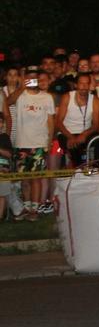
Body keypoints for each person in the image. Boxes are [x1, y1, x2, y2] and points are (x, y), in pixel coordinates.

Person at [6, 69, 55, 220]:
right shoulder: (21, 95)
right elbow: (8, 102)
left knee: (36, 178)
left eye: (36, 78)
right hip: (21, 143)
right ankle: (27, 208)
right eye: (30, 78)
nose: (33, 81)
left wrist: (50, 140)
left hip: (39, 143)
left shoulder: (47, 97)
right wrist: (22, 87)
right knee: (25, 179)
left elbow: (51, 121)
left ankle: (35, 210)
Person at [56, 73, 99, 167]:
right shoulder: (67, 97)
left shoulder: (95, 100)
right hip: (67, 132)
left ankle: (96, 168)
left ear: (89, 85)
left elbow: (96, 125)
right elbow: (59, 122)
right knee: (74, 146)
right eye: (81, 83)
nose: (84, 87)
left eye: (86, 84)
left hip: (86, 132)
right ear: (76, 85)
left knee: (98, 140)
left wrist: (84, 134)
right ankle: (77, 170)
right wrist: (70, 137)